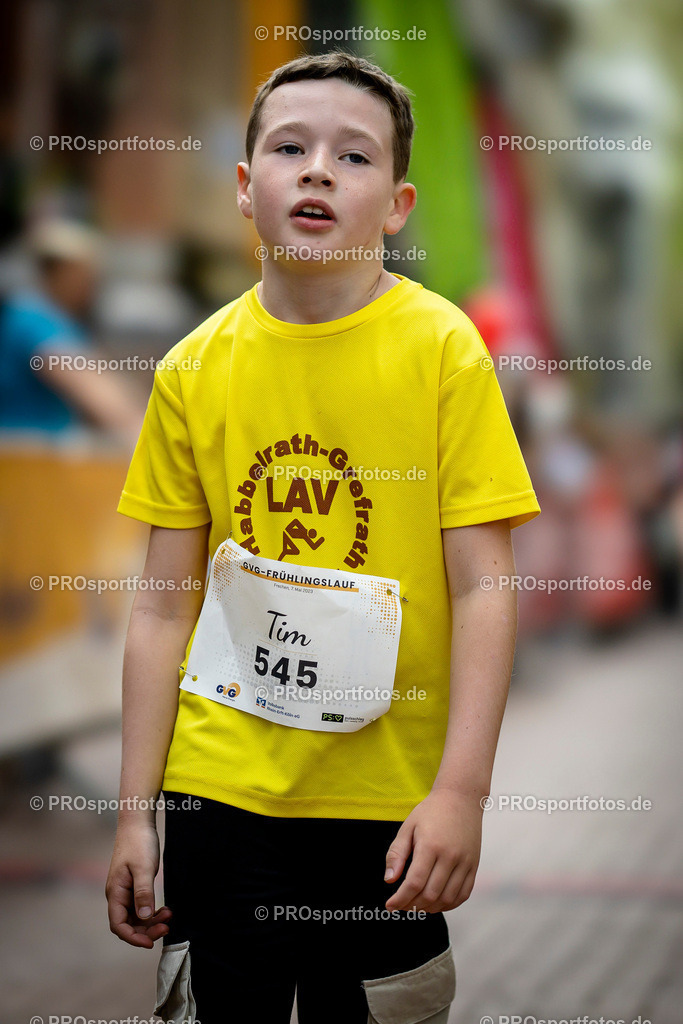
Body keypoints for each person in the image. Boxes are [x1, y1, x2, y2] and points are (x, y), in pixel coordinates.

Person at [105, 52, 540, 1024]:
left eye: (352, 156)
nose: (315, 170)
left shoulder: (441, 351)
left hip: (384, 802)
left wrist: (461, 791)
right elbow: (160, 605)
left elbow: (483, 588)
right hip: (217, 792)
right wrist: (135, 814)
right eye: (289, 147)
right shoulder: (189, 369)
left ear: (396, 204)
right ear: (243, 186)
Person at [0, 219, 142, 444]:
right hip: (24, 454)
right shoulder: (33, 318)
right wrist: (141, 432)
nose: (92, 283)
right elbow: (97, 393)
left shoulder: (55, 318)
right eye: (86, 273)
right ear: (61, 272)